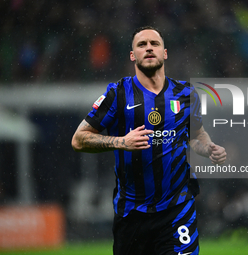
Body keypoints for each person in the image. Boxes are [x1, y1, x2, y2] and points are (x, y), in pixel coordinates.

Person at [71, 26, 226, 255]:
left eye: (154, 44)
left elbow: (195, 134)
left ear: (165, 53)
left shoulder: (186, 94)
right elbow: (79, 139)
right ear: (133, 56)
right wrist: (121, 142)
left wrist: (209, 149)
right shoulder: (118, 94)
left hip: (177, 208)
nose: (149, 48)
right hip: (132, 214)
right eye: (142, 45)